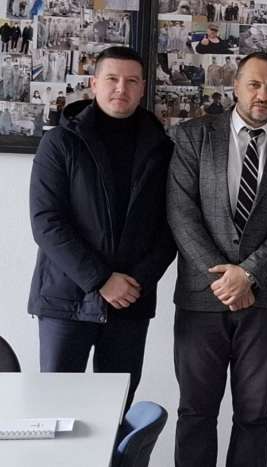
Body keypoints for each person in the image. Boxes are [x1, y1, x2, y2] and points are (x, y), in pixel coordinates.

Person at [166, 51, 267, 467]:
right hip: (201, 297)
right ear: (235, 86)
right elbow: (181, 213)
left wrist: (248, 274)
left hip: (266, 301)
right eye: (254, 84)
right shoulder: (193, 135)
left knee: (254, 414)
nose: (262, 94)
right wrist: (225, 279)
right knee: (196, 412)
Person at [27, 46, 176, 408]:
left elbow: (172, 225)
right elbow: (46, 221)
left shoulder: (163, 148)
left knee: (116, 411)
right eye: (112, 79)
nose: (121, 88)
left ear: (143, 88)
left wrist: (136, 283)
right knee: (57, 408)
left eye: (131, 81)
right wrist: (100, 280)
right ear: (94, 83)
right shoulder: (60, 142)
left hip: (131, 301)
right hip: (65, 300)